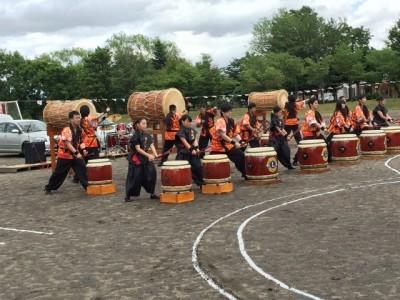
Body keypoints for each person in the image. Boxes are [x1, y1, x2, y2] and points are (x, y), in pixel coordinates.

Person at [44, 111, 88, 193]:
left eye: (79, 117)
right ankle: (49, 187)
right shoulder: (67, 130)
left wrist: (84, 150)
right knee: (59, 173)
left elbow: (81, 141)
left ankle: (87, 187)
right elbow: (68, 144)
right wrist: (76, 153)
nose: (79, 119)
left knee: (82, 168)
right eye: (76, 118)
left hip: (75, 155)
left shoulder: (80, 129)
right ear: (71, 119)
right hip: (65, 155)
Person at [72, 105, 109, 183]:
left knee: (84, 160)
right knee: (94, 160)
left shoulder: (80, 120)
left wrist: (103, 116)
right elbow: (96, 123)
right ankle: (94, 176)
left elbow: (96, 122)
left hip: (84, 143)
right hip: (92, 142)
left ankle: (77, 177)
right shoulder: (89, 119)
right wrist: (105, 113)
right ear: (88, 111)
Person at [125, 118, 159, 202]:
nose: (145, 125)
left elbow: (151, 144)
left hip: (145, 158)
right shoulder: (135, 136)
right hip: (136, 158)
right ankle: (128, 195)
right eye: (143, 123)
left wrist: (155, 154)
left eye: (146, 124)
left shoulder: (146, 134)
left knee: (152, 173)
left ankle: (152, 193)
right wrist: (148, 155)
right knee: (135, 177)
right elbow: (138, 149)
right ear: (138, 125)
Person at [210, 103, 247, 179]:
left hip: (228, 145)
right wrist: (234, 143)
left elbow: (235, 133)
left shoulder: (231, 121)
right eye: (228, 111)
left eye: (230, 111)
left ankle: (245, 173)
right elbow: (222, 135)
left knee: (240, 155)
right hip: (218, 146)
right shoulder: (220, 121)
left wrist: (241, 141)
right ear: (223, 112)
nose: (230, 113)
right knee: (211, 162)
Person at [176, 115, 205, 187]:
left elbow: (194, 140)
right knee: (185, 170)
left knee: (198, 166)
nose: (189, 123)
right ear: (182, 121)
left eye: (190, 122)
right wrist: (192, 149)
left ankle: (201, 183)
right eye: (187, 121)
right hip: (183, 154)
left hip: (192, 152)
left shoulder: (191, 130)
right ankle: (182, 186)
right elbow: (184, 142)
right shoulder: (180, 131)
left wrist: (196, 148)